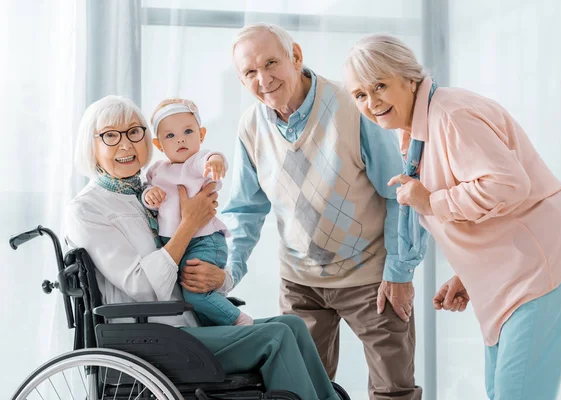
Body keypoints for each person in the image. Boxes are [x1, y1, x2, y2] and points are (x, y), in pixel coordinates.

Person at [179, 23, 426, 400]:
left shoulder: (351, 106)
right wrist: (228, 274)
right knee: (300, 392)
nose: (263, 79)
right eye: (249, 72)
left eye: (271, 62)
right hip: (301, 283)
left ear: (295, 56)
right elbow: (245, 210)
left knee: (394, 391)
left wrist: (400, 271)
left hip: (373, 280)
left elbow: (399, 195)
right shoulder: (251, 126)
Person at [343, 34, 561, 400]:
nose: (371, 102)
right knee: (502, 389)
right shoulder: (419, 126)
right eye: (360, 95)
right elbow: (485, 200)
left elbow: (508, 185)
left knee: (518, 393)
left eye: (379, 85)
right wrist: (470, 271)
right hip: (511, 262)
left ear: (408, 77)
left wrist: (430, 201)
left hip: (540, 259)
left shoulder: (449, 116)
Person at [63, 95, 339, 400]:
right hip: (149, 340)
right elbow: (141, 286)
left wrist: (219, 278)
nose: (126, 145)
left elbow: (191, 258)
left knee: (293, 326)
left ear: (148, 140)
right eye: (111, 136)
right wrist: (190, 223)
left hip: (184, 323)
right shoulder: (87, 209)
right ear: (92, 145)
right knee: (276, 338)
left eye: (134, 132)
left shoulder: (147, 192)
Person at [142, 98, 252, 327]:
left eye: (188, 131)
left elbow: (211, 157)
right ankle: (216, 326)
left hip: (204, 241)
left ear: (201, 135)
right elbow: (148, 195)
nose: (180, 139)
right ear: (159, 144)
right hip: (175, 244)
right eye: (170, 136)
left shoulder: (195, 162)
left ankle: (238, 320)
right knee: (189, 296)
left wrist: (216, 162)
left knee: (195, 293)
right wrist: (149, 196)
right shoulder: (156, 171)